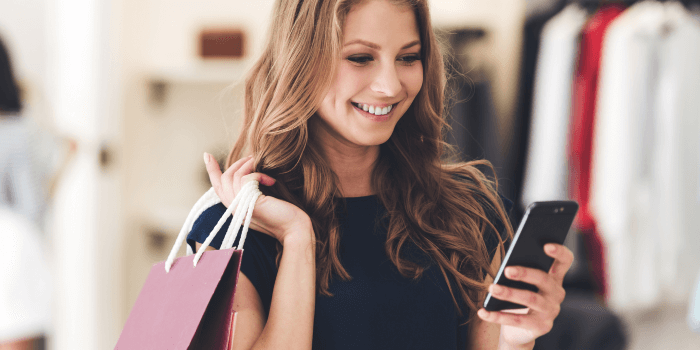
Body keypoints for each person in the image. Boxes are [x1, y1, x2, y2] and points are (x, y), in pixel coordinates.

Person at [187, 0, 573, 349]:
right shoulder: (232, 229)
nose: (390, 86)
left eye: (408, 57)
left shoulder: (472, 211)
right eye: (359, 58)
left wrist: (517, 339)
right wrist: (297, 238)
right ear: (300, 60)